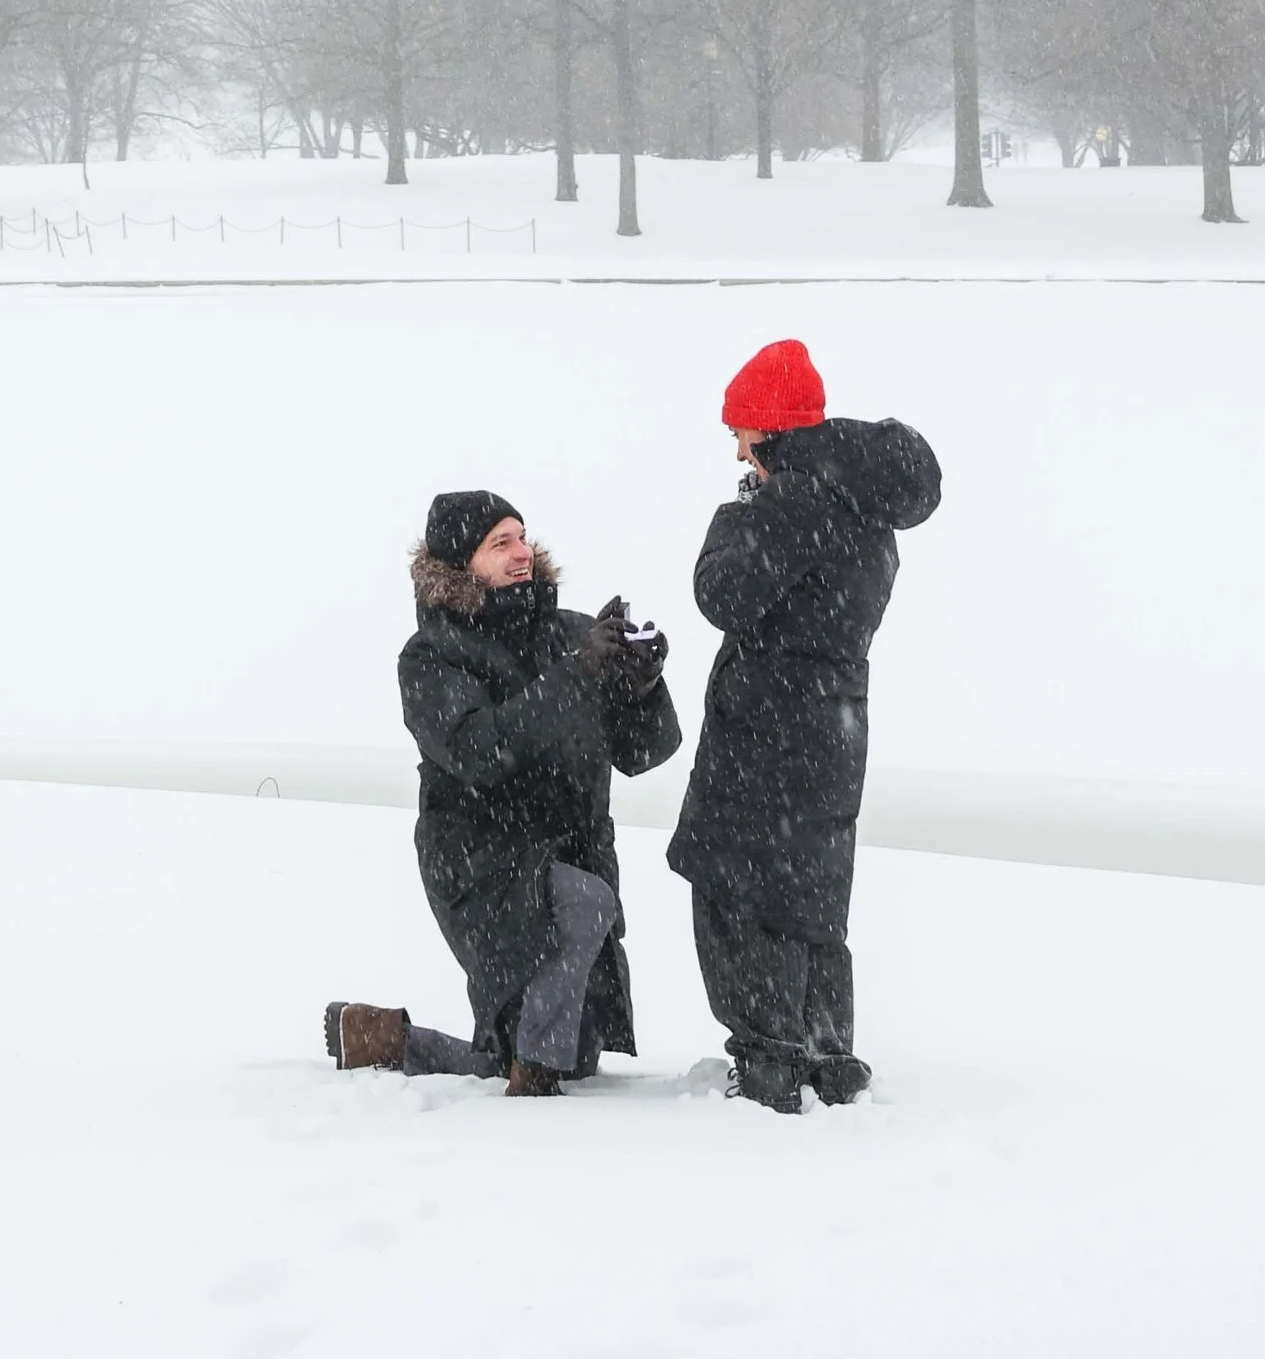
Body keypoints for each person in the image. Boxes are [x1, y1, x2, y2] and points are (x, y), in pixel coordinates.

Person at [326, 488, 681, 1094]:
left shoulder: (570, 634)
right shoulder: (430, 658)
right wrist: (574, 677)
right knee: (573, 945)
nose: (523, 553)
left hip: (572, 853)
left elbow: (645, 755)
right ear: (462, 563)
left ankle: (383, 1038)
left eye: (522, 536)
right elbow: (478, 750)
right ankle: (531, 1088)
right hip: (482, 863)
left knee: (569, 1053)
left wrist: (641, 688)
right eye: (501, 543)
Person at [667, 338, 941, 1114]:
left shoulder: (794, 502)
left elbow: (720, 593)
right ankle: (828, 1057)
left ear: (768, 430)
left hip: (767, 731)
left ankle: (767, 1066)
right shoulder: (866, 507)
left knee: (737, 892)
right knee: (811, 896)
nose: (739, 452)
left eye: (741, 436)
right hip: (835, 725)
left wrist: (742, 509)